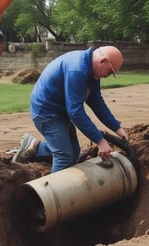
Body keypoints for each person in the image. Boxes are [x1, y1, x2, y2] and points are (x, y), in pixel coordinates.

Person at [12, 45, 128, 173]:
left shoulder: (92, 72)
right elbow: (75, 111)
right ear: (102, 61)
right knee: (64, 156)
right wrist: (100, 141)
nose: (108, 75)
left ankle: (35, 148)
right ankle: (51, 192)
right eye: (110, 71)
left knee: (74, 153)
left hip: (60, 110)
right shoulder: (78, 69)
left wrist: (117, 128)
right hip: (46, 112)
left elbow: (96, 102)